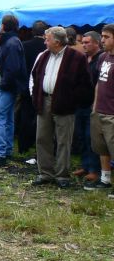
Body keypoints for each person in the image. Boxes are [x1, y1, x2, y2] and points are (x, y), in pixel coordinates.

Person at [30, 26, 93, 188]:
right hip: (44, 101)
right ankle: (45, 173)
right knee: (42, 138)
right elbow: (35, 75)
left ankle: (62, 175)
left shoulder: (76, 57)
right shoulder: (44, 56)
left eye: (47, 39)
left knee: (64, 140)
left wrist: (71, 99)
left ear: (57, 41)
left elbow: (85, 83)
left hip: (65, 104)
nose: (45, 42)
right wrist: (36, 95)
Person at [0, 15, 27, 167]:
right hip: (8, 86)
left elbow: (12, 67)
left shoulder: (10, 42)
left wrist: (3, 83)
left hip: (5, 87)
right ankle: (6, 149)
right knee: (7, 119)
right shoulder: (12, 41)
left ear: (3, 26)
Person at [85, 23, 114, 193]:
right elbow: (98, 85)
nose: (102, 40)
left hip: (112, 113)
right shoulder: (103, 57)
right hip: (99, 111)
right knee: (101, 148)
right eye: (102, 36)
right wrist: (95, 106)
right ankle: (105, 180)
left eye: (106, 37)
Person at [72, 31, 104, 181]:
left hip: (95, 104)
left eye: (87, 42)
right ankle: (85, 165)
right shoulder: (83, 58)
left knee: (92, 137)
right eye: (83, 42)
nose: (83, 45)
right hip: (80, 103)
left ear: (97, 43)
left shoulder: (101, 59)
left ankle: (94, 169)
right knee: (81, 136)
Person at [18, 20, 48, 154]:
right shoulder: (48, 47)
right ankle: (38, 145)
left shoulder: (24, 46)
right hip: (43, 87)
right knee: (41, 117)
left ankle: (23, 145)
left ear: (32, 31)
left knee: (25, 116)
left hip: (26, 85)